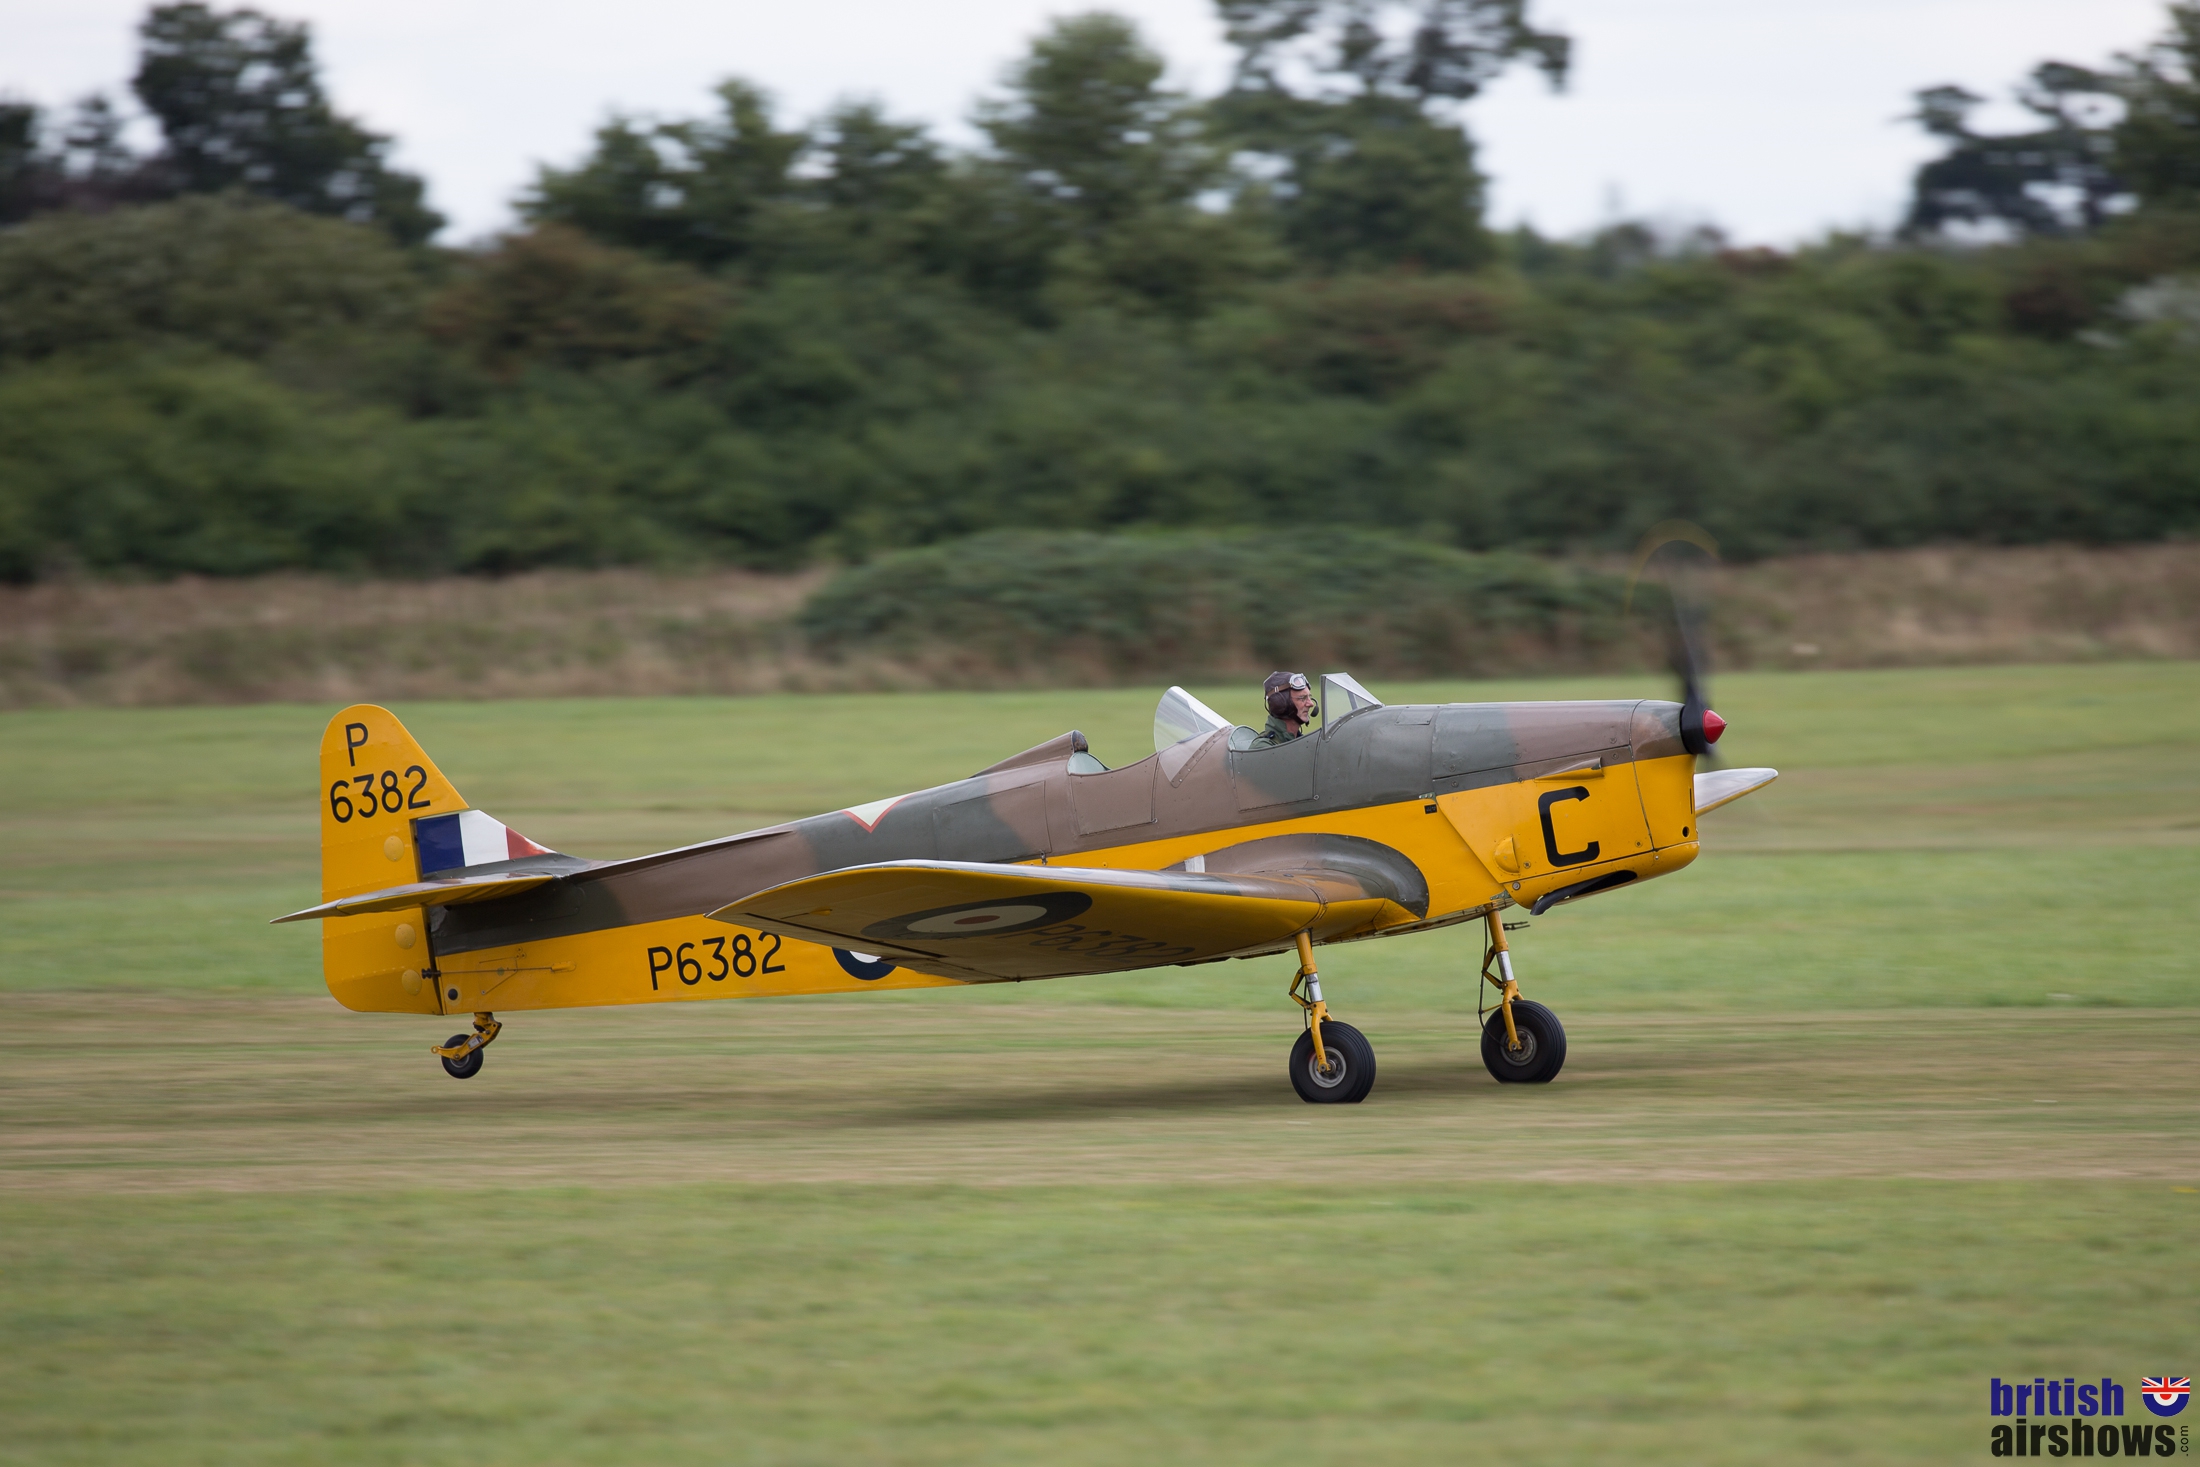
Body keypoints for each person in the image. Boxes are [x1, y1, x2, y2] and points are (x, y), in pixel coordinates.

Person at [1251, 671, 1317, 748]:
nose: (1311, 704)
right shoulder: (1264, 747)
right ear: (1280, 703)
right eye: (1302, 698)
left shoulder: (1302, 742)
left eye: (1309, 697)